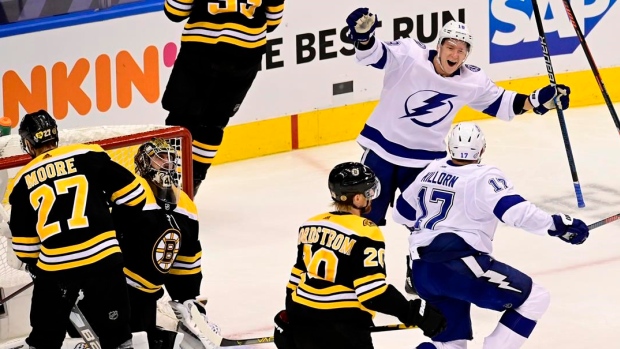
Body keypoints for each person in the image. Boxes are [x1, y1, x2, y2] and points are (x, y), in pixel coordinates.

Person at [345, 8, 572, 293]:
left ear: (467, 55)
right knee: (362, 218)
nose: (455, 54)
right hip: (382, 152)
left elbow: (503, 103)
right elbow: (375, 55)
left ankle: (416, 270)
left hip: (426, 160)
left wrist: (541, 100)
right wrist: (364, 37)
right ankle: (356, 274)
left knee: (424, 221)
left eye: (462, 50)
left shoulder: (471, 80)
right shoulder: (409, 55)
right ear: (438, 46)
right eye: (450, 47)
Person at [393, 122, 589, 349]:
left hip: (423, 271)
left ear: (449, 146)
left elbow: (402, 213)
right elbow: (515, 212)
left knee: (451, 344)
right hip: (461, 268)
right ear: (482, 149)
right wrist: (558, 225)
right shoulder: (484, 176)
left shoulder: (431, 170)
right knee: (535, 298)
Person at [7, 110, 148, 349]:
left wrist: (36, 264)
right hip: (104, 261)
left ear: (28, 143)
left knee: (44, 338)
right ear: (55, 136)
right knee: (118, 336)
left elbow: (25, 247)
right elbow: (135, 195)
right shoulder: (88, 154)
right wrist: (112, 231)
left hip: (57, 269)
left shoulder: (22, 182)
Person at [273, 162, 447, 349]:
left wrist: (291, 318)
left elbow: (295, 278)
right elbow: (373, 293)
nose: (371, 199)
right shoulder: (365, 231)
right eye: (368, 193)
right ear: (357, 199)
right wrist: (415, 313)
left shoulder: (310, 224)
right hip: (342, 327)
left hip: (302, 319)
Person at [71, 138, 218, 349]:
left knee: (143, 342)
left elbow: (187, 257)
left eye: (171, 158)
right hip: (114, 289)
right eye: (160, 158)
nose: (167, 163)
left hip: (147, 295)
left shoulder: (185, 204)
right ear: (144, 164)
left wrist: (188, 298)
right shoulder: (131, 191)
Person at [162, 0, 286, 195]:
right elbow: (273, 21)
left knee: (181, 118)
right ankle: (192, 184)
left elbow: (174, 12)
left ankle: (164, 181)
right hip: (245, 55)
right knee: (214, 123)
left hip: (201, 49)